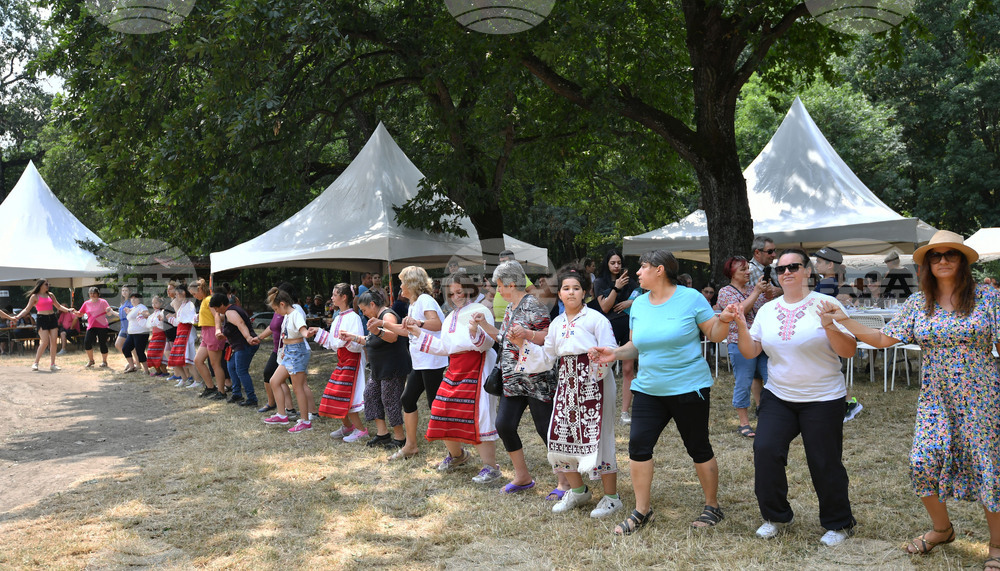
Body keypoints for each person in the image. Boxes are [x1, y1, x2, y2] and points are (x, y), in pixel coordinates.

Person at [818, 230, 1000, 566]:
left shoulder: (987, 298)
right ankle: (942, 530)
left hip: (982, 397)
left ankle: (997, 547)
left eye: (950, 254)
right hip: (936, 397)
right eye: (935, 255)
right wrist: (845, 320)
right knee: (922, 462)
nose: (942, 260)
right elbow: (884, 338)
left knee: (987, 466)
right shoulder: (919, 304)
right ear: (927, 264)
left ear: (962, 261)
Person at [592, 250, 732, 535]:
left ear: (659, 270)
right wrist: (615, 353)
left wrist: (726, 319)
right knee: (638, 448)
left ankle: (712, 505)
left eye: (642, 267)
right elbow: (637, 345)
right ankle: (642, 511)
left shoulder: (691, 298)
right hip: (648, 388)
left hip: (688, 387)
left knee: (698, 446)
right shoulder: (639, 304)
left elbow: (715, 334)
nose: (637, 273)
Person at [732, 248, 858, 547]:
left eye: (794, 266)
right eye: (781, 268)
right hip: (779, 395)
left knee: (824, 460)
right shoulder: (767, 310)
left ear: (807, 272)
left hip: (824, 397)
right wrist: (739, 324)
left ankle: (839, 522)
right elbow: (752, 352)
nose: (786, 272)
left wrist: (829, 325)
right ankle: (776, 516)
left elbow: (848, 350)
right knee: (765, 450)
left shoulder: (827, 304)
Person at [511, 266, 623, 518]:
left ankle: (612, 498)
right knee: (560, 436)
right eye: (565, 288)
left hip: (595, 382)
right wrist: (523, 345)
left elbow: (611, 350)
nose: (571, 293)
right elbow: (546, 357)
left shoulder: (596, 319)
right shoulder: (557, 324)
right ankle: (579, 491)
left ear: (585, 292)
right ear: (559, 294)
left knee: (600, 436)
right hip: (567, 384)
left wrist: (598, 361)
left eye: (576, 288)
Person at [472, 260, 567, 496]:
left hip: (536, 379)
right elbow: (504, 338)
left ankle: (565, 482)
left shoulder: (534, 305)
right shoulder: (511, 308)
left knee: (546, 430)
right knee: (504, 425)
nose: (498, 290)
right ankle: (522, 476)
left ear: (511, 284)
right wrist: (484, 324)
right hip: (513, 380)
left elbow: (547, 338)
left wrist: (526, 334)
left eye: (500, 285)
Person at [404, 273, 499, 480]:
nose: (456, 296)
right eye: (452, 293)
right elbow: (444, 348)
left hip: (478, 366)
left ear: (469, 289)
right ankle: (457, 455)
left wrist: (475, 330)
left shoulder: (480, 310)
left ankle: (490, 466)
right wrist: (417, 332)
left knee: (480, 413)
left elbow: (488, 343)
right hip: (455, 368)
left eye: (460, 291)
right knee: (442, 409)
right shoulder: (450, 317)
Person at [381, 266, 447, 461]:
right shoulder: (414, 303)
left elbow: (437, 324)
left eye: (402, 282)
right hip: (421, 362)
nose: (400, 286)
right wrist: (382, 324)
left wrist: (418, 323)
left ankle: (454, 452)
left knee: (435, 405)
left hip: (432, 361)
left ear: (411, 284)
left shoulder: (425, 300)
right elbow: (406, 331)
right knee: (408, 400)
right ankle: (411, 446)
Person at [716, 256, 768, 438]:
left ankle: (768, 418)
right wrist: (756, 294)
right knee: (744, 381)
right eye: (743, 270)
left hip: (762, 340)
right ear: (732, 273)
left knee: (771, 379)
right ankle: (744, 424)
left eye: (748, 269)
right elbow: (739, 311)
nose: (748, 272)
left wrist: (767, 294)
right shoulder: (725, 292)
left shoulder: (755, 289)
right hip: (739, 340)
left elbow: (765, 311)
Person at [309, 283, 368, 440]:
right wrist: (318, 331)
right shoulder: (337, 318)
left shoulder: (353, 317)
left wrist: (347, 339)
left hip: (352, 360)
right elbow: (333, 343)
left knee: (348, 395)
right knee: (334, 393)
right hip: (342, 360)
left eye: (335, 295)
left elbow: (357, 344)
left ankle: (361, 430)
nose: (332, 297)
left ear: (344, 297)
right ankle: (348, 426)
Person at [353, 288, 410, 448]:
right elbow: (373, 340)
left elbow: (392, 336)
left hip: (392, 367)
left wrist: (377, 330)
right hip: (379, 368)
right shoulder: (376, 318)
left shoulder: (388, 316)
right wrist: (353, 338)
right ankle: (382, 434)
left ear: (372, 304)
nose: (364, 314)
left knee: (390, 400)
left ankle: (400, 438)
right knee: (371, 394)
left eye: (364, 310)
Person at [592, 249, 638, 424]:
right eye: (613, 263)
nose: (617, 266)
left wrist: (631, 302)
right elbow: (604, 307)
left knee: (628, 370)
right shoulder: (599, 282)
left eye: (619, 262)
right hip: (608, 328)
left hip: (628, 327)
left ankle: (625, 413)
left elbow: (644, 299)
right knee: (605, 368)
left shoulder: (631, 282)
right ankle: (601, 409)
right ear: (607, 264)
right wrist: (616, 287)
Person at [263, 289, 316, 430]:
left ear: (282, 304)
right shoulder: (287, 315)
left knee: (298, 388)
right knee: (274, 381)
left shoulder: (295, 314)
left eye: (275, 309)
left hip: (297, 353)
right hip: (288, 353)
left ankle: (305, 421)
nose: (276, 312)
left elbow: (302, 330)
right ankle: (281, 415)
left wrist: (307, 333)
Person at [255, 284, 300, 417]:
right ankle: (285, 410)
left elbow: (300, 331)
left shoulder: (294, 311)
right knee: (273, 377)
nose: (275, 310)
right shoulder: (280, 311)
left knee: (298, 383)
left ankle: (307, 413)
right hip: (280, 350)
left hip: (290, 352)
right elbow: (272, 326)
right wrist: (259, 337)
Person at [210, 293, 260, 407]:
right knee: (231, 366)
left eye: (217, 308)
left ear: (222, 304)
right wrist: (224, 335)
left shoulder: (230, 312)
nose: (217, 311)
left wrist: (248, 337)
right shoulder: (231, 310)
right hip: (240, 345)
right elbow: (235, 328)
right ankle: (237, 393)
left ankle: (252, 399)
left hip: (245, 345)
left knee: (241, 371)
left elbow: (241, 324)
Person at [14, 279, 73, 371]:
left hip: (52, 318)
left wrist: (68, 310)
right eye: (46, 284)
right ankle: (36, 363)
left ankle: (53, 364)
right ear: (41, 285)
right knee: (45, 342)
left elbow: (58, 306)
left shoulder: (51, 295)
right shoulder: (35, 296)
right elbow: (26, 309)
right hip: (42, 319)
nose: (48, 285)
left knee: (53, 342)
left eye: (48, 284)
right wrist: (18, 316)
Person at [190, 279, 225, 396]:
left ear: (200, 289)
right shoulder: (204, 301)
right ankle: (210, 387)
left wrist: (217, 330)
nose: (194, 296)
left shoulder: (209, 300)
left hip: (212, 332)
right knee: (197, 361)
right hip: (206, 332)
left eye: (194, 294)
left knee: (215, 364)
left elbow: (217, 315)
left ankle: (221, 391)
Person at [167, 284, 200, 389]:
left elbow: (187, 319)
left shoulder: (189, 304)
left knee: (188, 358)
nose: (176, 297)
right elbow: (178, 321)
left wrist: (173, 315)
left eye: (176, 294)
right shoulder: (183, 305)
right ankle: (184, 378)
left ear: (183, 293)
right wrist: (171, 318)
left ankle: (198, 380)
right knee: (175, 358)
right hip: (180, 332)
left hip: (187, 333)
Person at [76, 287, 115, 368]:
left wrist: (109, 311)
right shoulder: (86, 303)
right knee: (87, 342)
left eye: (94, 293)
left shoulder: (103, 302)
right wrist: (74, 312)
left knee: (102, 343)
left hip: (102, 326)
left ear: (98, 294)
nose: (92, 295)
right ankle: (91, 360)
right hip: (91, 326)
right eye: (91, 293)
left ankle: (104, 361)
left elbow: (109, 314)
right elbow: (80, 313)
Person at [493, 249, 531, 325]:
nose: (502, 264)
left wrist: (521, 308)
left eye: (504, 261)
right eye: (500, 262)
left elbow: (532, 290)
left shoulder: (517, 275)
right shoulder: (501, 277)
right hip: (501, 319)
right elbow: (499, 293)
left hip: (513, 318)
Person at [123, 292, 152, 375]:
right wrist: (128, 311)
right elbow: (132, 316)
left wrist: (143, 314)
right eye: (131, 298)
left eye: (135, 298)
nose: (133, 299)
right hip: (132, 333)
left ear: (139, 299)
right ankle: (132, 367)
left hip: (141, 333)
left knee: (140, 351)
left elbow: (147, 314)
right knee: (125, 348)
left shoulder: (141, 306)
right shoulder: (134, 308)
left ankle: (146, 370)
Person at [748, 236, 781, 300]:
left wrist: (781, 291)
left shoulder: (772, 269)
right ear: (757, 253)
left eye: (774, 250)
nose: (774, 254)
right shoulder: (748, 271)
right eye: (770, 251)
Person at [145, 295, 169, 376]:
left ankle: (164, 372)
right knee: (151, 353)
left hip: (161, 335)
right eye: (153, 303)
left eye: (156, 303)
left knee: (158, 354)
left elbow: (161, 324)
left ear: (161, 303)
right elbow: (149, 324)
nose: (154, 305)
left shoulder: (162, 312)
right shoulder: (153, 314)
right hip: (154, 335)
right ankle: (158, 371)